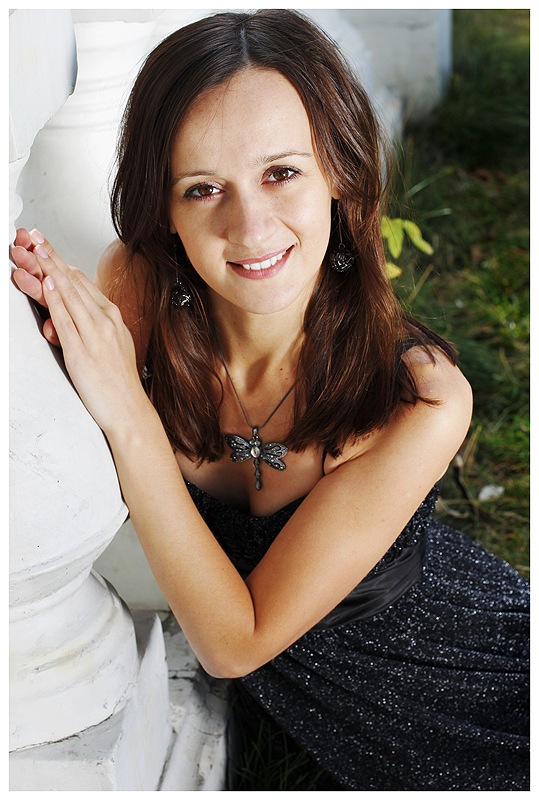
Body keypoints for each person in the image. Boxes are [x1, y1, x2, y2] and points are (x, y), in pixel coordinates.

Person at [11, 9, 529, 791]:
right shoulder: (141, 288)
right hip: (338, 725)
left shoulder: (419, 399)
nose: (249, 226)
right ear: (165, 210)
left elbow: (234, 643)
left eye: (281, 173)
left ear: (338, 172)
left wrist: (128, 410)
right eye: (202, 188)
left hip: (479, 690)